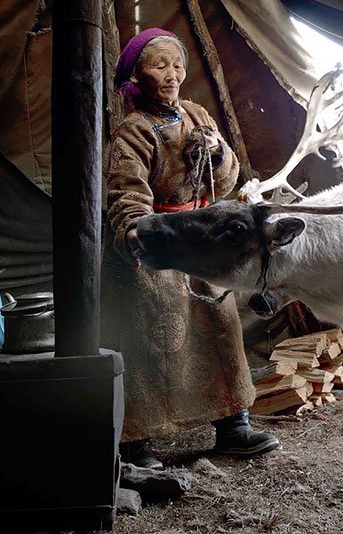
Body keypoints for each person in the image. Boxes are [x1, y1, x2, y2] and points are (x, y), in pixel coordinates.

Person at [101, 27, 280, 469]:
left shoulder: (198, 115)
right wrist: (136, 232)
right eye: (159, 65)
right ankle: (137, 442)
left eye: (177, 65)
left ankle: (232, 425)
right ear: (138, 74)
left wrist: (218, 153)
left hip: (202, 239)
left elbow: (226, 182)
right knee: (151, 339)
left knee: (220, 327)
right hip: (161, 240)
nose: (171, 74)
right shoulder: (133, 130)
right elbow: (126, 190)